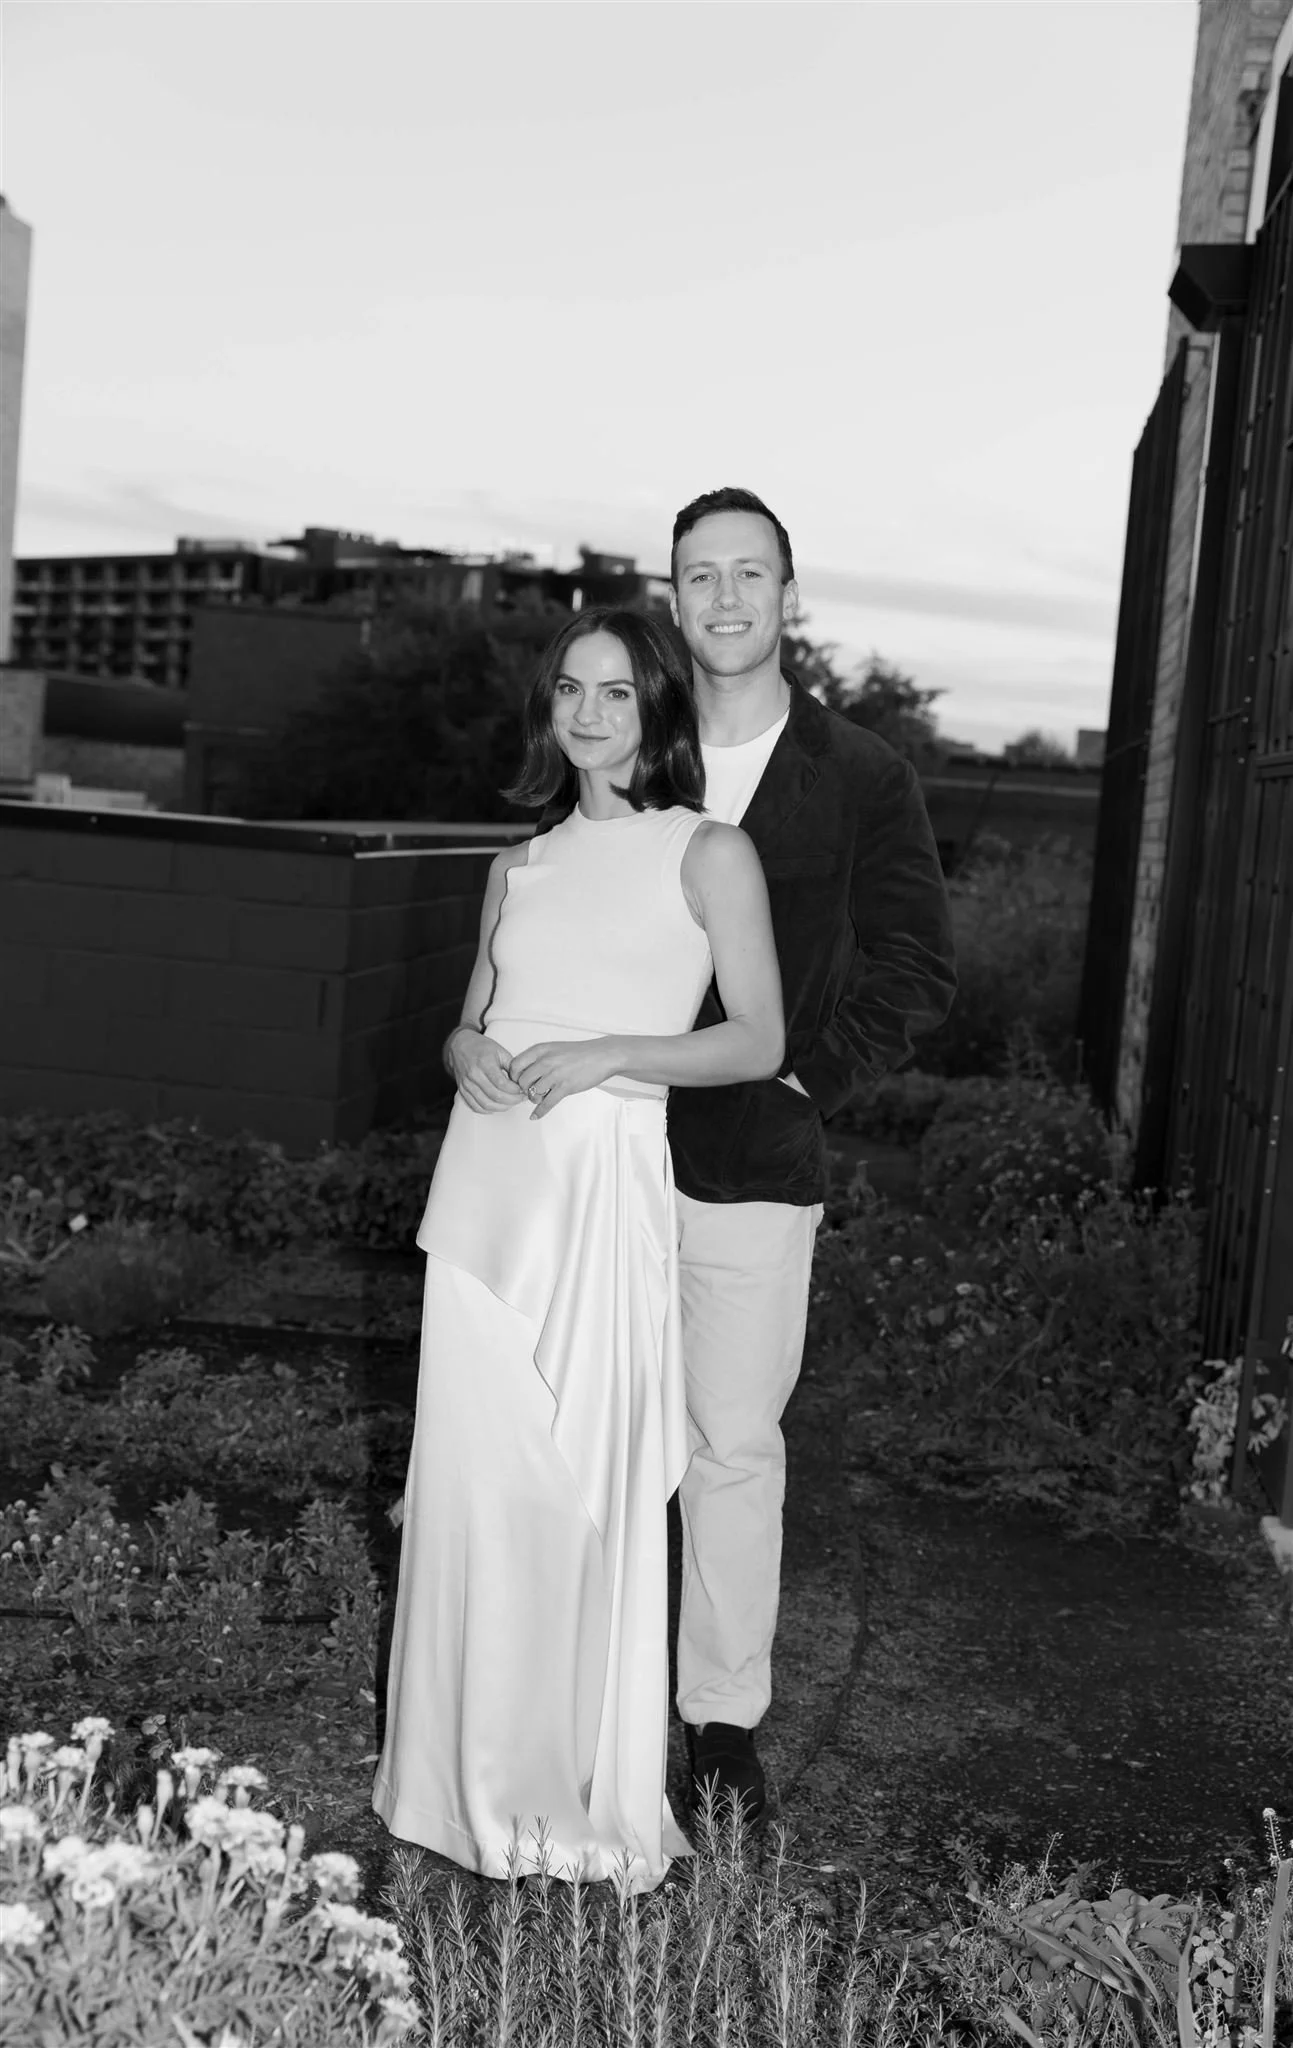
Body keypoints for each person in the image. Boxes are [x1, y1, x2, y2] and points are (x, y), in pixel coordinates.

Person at [372, 606, 784, 1894]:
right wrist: (465, 1053)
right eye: (569, 689)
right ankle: (456, 1777)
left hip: (606, 1181)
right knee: (481, 1482)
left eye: (617, 690)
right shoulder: (519, 863)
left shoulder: (710, 854)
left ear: (660, 708)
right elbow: (469, 1023)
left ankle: (563, 1779)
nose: (590, 711)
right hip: (493, 1184)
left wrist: (611, 1055)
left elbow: (757, 1042)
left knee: (578, 1488)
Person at [665, 486, 957, 1825]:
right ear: (674, 599)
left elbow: (915, 966)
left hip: (755, 1160)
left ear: (789, 595)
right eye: (699, 576)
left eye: (749, 574)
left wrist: (808, 1072)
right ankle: (591, 1692)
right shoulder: (631, 747)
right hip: (600, 1159)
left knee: (732, 1445)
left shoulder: (861, 774)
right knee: (600, 1438)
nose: (724, 597)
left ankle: (720, 1724)